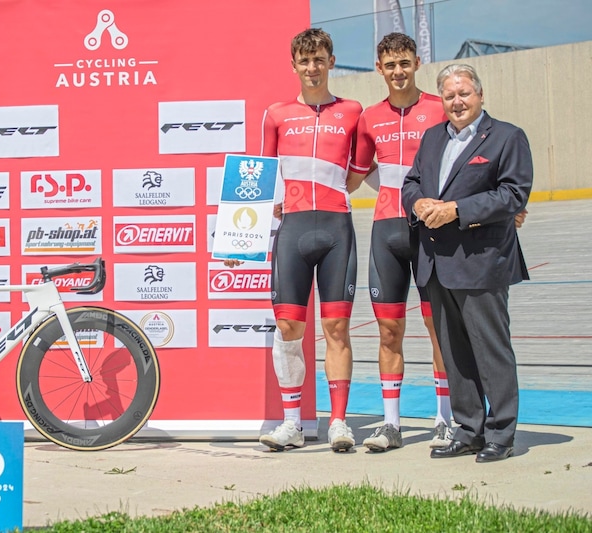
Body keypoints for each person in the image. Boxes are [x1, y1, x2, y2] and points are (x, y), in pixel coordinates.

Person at [228, 27, 364, 452]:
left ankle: (338, 422)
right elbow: (255, 178)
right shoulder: (276, 114)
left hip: (337, 227)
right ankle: (292, 424)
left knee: (336, 326)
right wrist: (237, 237)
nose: (312, 67)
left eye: (319, 59)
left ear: (331, 61)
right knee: (288, 326)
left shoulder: (353, 111)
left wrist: (327, 193)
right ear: (294, 65)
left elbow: (358, 173)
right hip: (294, 230)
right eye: (304, 61)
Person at [401, 63, 532, 462]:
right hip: (436, 262)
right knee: (455, 353)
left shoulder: (507, 137)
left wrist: (458, 209)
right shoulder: (432, 138)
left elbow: (513, 195)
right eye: (449, 96)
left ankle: (501, 433)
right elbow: (411, 183)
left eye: (464, 93)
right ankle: (469, 428)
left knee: (490, 349)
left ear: (480, 95)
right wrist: (418, 203)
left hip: (481, 261)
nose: (457, 101)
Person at [347, 33, 454, 452]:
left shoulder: (438, 108)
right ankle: (391, 424)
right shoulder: (369, 117)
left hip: (432, 234)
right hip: (387, 232)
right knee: (389, 330)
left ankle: (445, 419)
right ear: (379, 68)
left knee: (437, 328)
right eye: (390, 65)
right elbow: (354, 175)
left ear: (417, 62)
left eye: (404, 63)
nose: (398, 72)